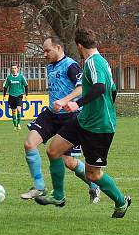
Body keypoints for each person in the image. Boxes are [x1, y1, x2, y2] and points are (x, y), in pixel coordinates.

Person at [35, 29, 132, 218]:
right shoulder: (96, 62)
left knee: (93, 175)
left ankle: (121, 202)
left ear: (79, 45)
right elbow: (112, 90)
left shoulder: (94, 62)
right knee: (54, 151)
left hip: (99, 127)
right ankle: (58, 196)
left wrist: (77, 103)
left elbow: (100, 87)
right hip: (83, 120)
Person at [20, 37, 100, 203]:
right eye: (43, 51)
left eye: (47, 50)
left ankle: (94, 185)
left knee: (68, 162)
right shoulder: (51, 66)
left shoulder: (71, 65)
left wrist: (65, 101)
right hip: (51, 114)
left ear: (58, 47)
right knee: (29, 144)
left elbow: (81, 88)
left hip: (69, 117)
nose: (45, 54)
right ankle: (39, 186)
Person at [3, 64, 28, 130]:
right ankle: (15, 125)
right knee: (13, 111)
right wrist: (4, 96)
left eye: (15, 68)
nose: (13, 69)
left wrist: (26, 95)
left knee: (19, 110)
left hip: (19, 95)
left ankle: (19, 124)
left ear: (17, 69)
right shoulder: (9, 78)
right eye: (12, 68)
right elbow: (5, 87)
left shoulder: (21, 77)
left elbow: (26, 86)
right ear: (11, 70)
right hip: (11, 96)